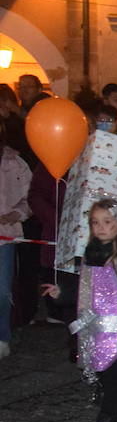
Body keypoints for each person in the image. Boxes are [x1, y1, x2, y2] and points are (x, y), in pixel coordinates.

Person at [42, 201, 117, 422]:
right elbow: (86, 290)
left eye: (107, 222)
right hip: (98, 326)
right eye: (95, 222)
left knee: (113, 378)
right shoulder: (91, 253)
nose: (101, 227)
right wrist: (62, 293)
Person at [0, 132, 32, 360]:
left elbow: (30, 195)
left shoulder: (15, 163)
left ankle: (3, 336)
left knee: (2, 290)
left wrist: (17, 213)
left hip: (5, 236)